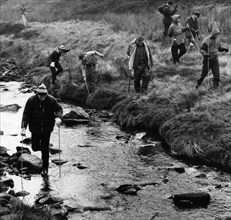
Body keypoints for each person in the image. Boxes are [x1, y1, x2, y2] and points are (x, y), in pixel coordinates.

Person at [21, 84, 63, 176]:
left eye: (44, 95)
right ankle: (46, 149)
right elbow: (26, 114)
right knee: (34, 147)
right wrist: (23, 128)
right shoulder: (31, 100)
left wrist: (58, 118)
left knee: (44, 148)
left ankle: (45, 168)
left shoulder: (52, 100)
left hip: (47, 128)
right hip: (35, 128)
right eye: (40, 95)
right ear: (37, 94)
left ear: (46, 94)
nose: (42, 97)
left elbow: (59, 109)